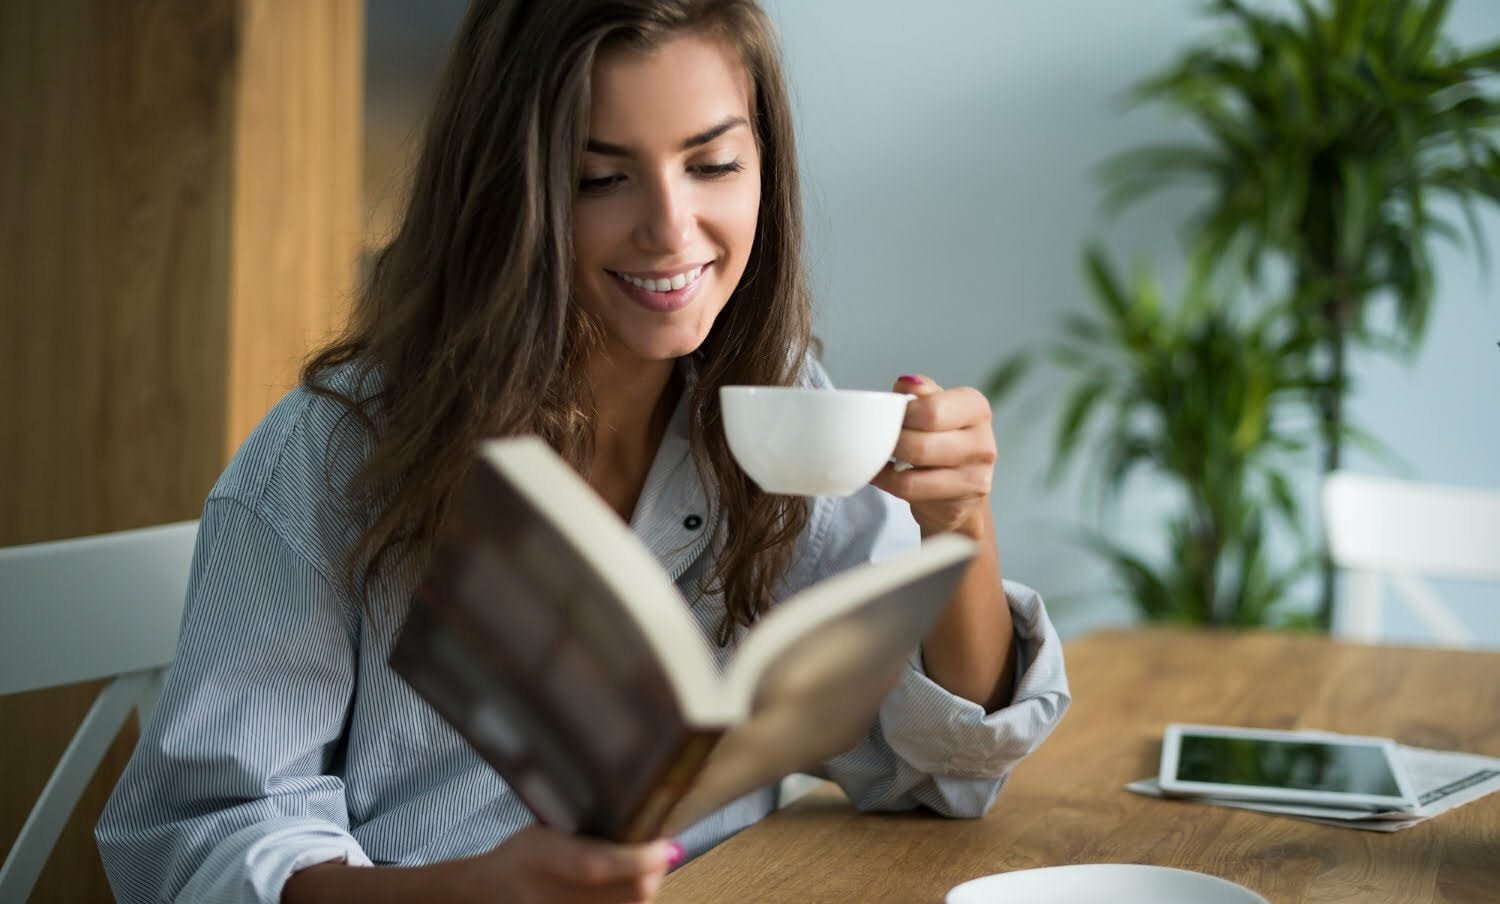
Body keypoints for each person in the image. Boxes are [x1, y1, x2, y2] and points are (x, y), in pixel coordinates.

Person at [96, 1, 1070, 901]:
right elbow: (199, 841)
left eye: (712, 164)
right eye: (601, 177)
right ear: (504, 191)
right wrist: (468, 892)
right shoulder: (333, 453)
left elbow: (933, 769)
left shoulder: (777, 418)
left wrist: (961, 522)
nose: (669, 228)